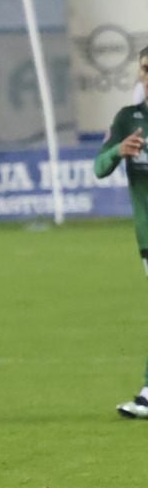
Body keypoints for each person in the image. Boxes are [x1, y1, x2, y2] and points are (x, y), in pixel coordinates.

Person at [94, 47, 148, 419]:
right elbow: (99, 166)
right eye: (145, 69)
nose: (147, 75)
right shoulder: (129, 119)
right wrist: (118, 151)